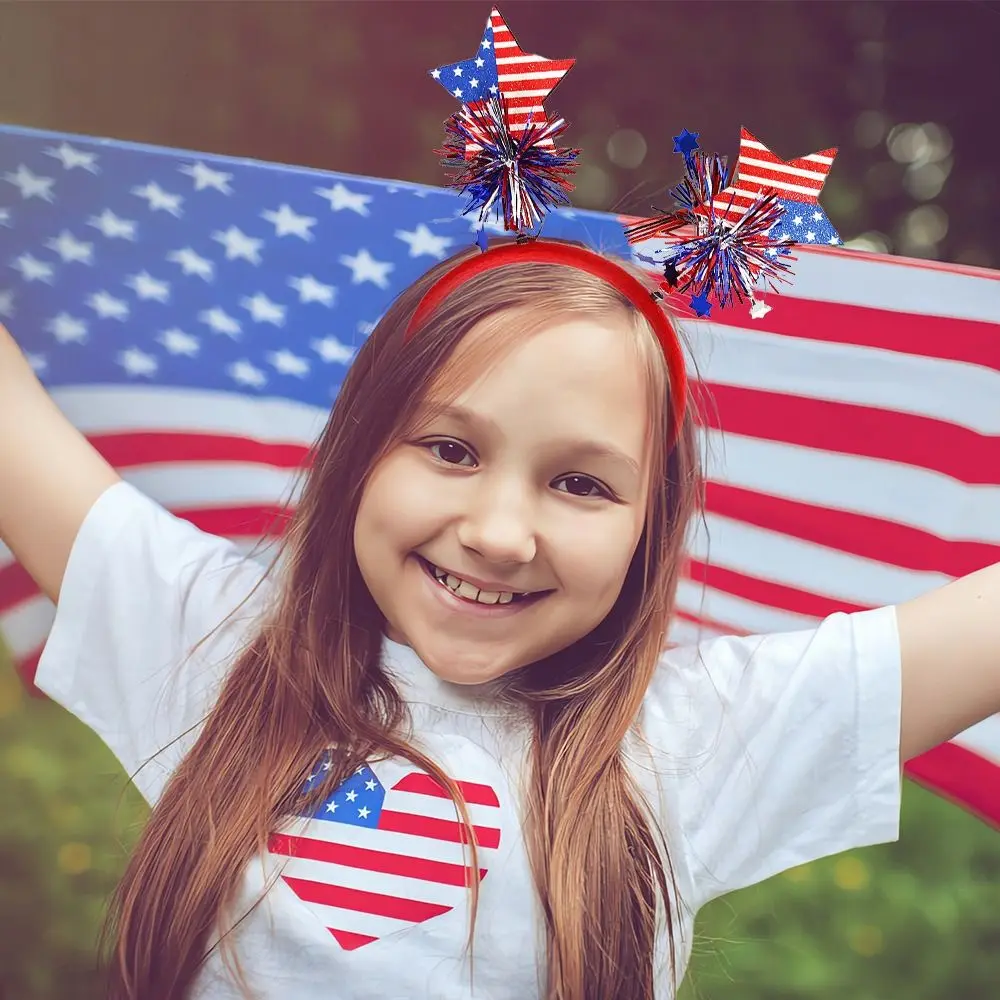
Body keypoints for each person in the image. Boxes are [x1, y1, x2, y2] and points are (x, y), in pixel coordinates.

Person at [1, 238, 999, 1000]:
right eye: (450, 448)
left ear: (649, 532)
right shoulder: (213, 640)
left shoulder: (690, 739)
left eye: (578, 481)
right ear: (359, 453)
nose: (499, 532)